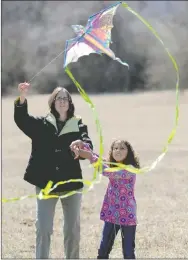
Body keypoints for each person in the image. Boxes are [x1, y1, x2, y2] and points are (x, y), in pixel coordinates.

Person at [14, 82, 93, 259]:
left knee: (72, 230)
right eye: (59, 98)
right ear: (53, 102)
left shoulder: (78, 124)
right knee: (43, 228)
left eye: (65, 98)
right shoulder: (41, 124)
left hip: (71, 184)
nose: (62, 101)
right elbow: (22, 119)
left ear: (70, 103)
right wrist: (22, 96)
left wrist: (81, 146)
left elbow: (88, 146)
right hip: (45, 183)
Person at [70, 139, 140, 259]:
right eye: (115, 148)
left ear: (129, 153)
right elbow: (98, 158)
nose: (118, 150)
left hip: (127, 217)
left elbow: (107, 171)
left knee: (128, 252)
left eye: (122, 148)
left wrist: (90, 157)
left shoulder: (129, 169)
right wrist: (84, 146)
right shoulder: (113, 165)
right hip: (111, 214)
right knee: (103, 251)